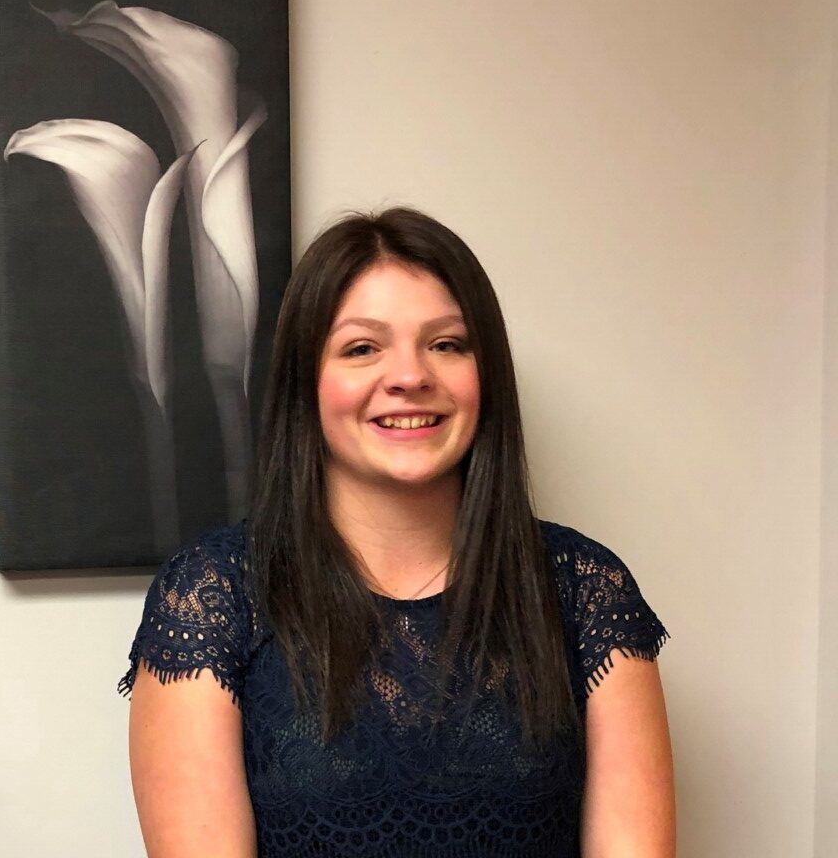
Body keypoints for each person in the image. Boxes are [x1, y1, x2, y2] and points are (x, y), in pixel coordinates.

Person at [117, 207, 675, 857]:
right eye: (362, 348)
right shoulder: (213, 596)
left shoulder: (584, 589)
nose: (411, 376)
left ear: (486, 375)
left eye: (446, 344)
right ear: (306, 383)